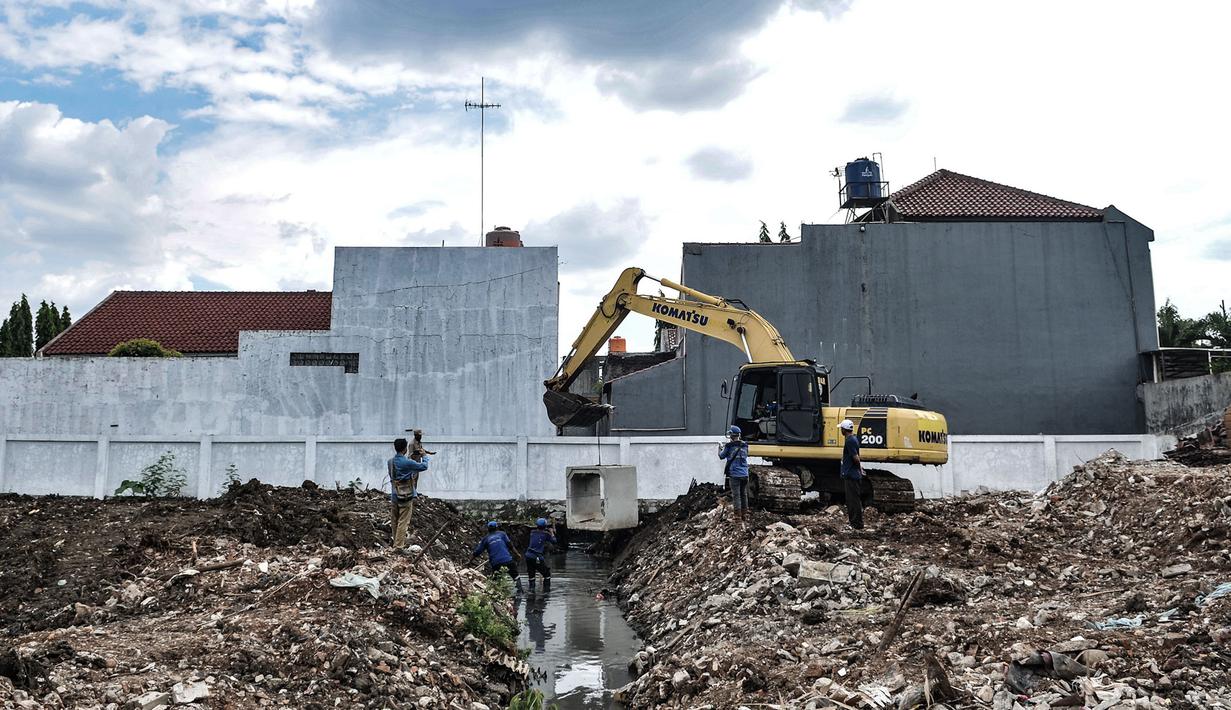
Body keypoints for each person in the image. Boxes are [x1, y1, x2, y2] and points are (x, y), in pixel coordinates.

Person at [387, 438, 429, 549]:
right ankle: (398, 546)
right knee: (403, 521)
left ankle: (395, 542)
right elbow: (424, 466)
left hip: (394, 494)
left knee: (394, 520)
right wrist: (424, 456)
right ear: (405, 449)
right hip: (405, 495)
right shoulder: (407, 462)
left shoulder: (390, 462)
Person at [473, 521, 523, 592]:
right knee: (516, 577)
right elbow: (510, 545)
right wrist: (517, 554)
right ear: (496, 527)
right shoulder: (502, 534)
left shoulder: (486, 539)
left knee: (496, 581)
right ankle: (520, 593)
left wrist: (470, 561)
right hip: (508, 560)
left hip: (496, 563)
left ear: (488, 529)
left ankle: (497, 594)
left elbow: (477, 552)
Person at [719, 424, 750, 522]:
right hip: (745, 474)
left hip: (735, 474)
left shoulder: (729, 446)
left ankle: (737, 517)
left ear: (732, 435)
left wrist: (720, 448)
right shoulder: (745, 445)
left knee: (736, 495)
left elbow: (721, 456)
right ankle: (745, 515)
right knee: (743, 494)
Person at [839, 419, 865, 530]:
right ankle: (855, 522)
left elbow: (855, 457)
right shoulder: (853, 439)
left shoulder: (850, 441)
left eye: (841, 429)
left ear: (844, 430)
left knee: (853, 500)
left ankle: (856, 523)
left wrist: (859, 468)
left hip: (851, 475)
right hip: (852, 474)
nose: (841, 430)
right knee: (852, 499)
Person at [524, 518, 557, 590]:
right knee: (547, 574)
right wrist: (552, 532)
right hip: (537, 557)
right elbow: (554, 541)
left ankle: (531, 592)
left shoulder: (532, 532)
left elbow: (539, 534)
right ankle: (546, 592)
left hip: (528, 556)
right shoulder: (546, 534)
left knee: (531, 576)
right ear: (545, 526)